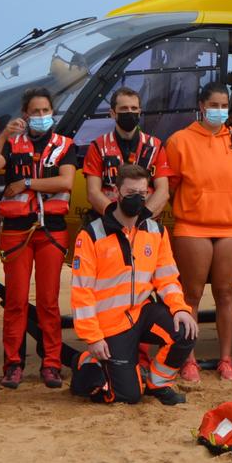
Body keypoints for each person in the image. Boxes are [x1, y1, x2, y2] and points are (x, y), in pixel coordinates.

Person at [69, 165, 198, 406]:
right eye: (130, 193)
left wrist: (180, 309)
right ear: (116, 193)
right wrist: (93, 337)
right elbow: (81, 292)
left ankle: (159, 383)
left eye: (141, 193)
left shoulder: (156, 231)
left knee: (185, 332)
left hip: (142, 312)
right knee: (127, 396)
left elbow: (167, 278)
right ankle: (86, 361)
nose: (136, 199)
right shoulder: (91, 235)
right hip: (110, 325)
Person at [0, 87, 78, 389]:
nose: (40, 116)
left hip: (51, 230)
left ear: (53, 112)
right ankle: (13, 365)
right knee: (16, 302)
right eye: (34, 112)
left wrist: (25, 182)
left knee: (49, 302)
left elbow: (66, 181)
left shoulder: (64, 145)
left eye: (45, 111)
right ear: (25, 114)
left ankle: (51, 364)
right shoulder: (12, 145)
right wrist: (1, 138)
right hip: (16, 231)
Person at [162, 82, 232, 381]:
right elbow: (171, 187)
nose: (219, 110)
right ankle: (189, 358)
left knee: (226, 293)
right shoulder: (179, 141)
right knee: (192, 295)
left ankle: (226, 359)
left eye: (224, 105)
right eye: (214, 105)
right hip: (193, 226)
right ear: (201, 106)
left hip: (231, 227)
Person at [81, 86, 170, 216]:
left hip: (145, 218)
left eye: (134, 108)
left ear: (139, 112)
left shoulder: (155, 146)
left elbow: (163, 191)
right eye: (124, 109)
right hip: (109, 219)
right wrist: (115, 218)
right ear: (112, 113)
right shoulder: (98, 146)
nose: (129, 112)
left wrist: (143, 216)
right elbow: (93, 192)